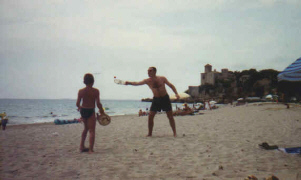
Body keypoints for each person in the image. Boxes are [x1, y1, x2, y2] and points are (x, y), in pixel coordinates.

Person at [125, 67, 179, 137]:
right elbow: (137, 83)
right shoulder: (147, 81)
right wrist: (129, 83)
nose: (148, 72)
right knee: (150, 116)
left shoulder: (162, 78)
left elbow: (171, 85)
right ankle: (150, 133)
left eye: (150, 71)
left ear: (154, 71)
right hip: (156, 99)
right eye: (148, 71)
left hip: (165, 98)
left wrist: (176, 93)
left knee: (170, 116)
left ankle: (174, 133)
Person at [76, 73, 108, 154]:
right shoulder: (96, 91)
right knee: (92, 131)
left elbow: (77, 104)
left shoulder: (81, 91)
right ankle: (90, 149)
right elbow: (98, 104)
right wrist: (102, 112)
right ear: (93, 81)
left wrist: (80, 107)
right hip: (90, 110)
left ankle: (81, 146)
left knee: (85, 129)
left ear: (84, 81)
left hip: (83, 111)